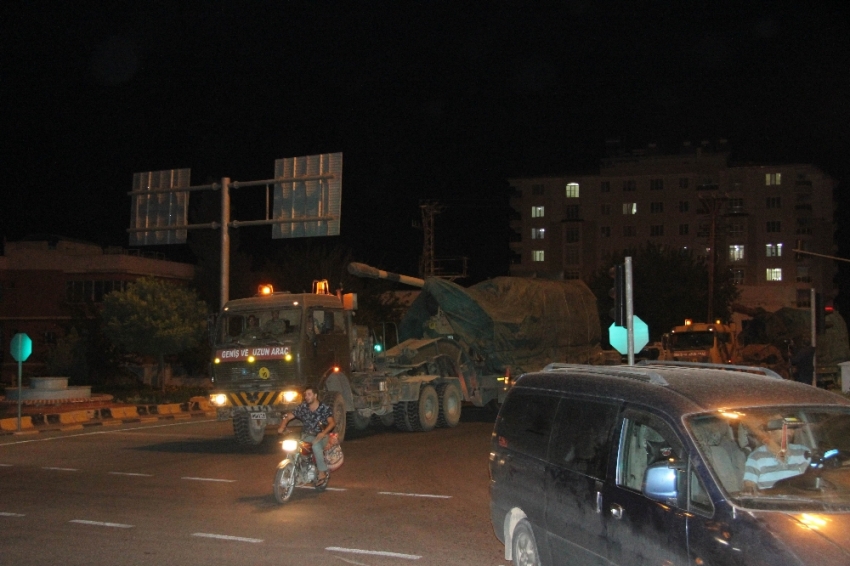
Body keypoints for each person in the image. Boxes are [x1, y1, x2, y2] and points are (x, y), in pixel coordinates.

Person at [277, 386, 335, 484]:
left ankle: (322, 472)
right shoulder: (303, 407)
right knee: (293, 444)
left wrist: (323, 433)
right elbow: (288, 416)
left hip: (321, 436)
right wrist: (282, 426)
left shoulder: (324, 408)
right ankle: (295, 470)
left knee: (316, 445)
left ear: (315, 395)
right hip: (306, 435)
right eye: (305, 395)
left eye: (309, 394)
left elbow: (332, 423)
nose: (306, 397)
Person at [742, 417, 811, 491]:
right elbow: (749, 488)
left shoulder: (803, 452)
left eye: (791, 428)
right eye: (783, 428)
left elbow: (815, 478)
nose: (789, 432)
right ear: (770, 432)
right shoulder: (756, 458)